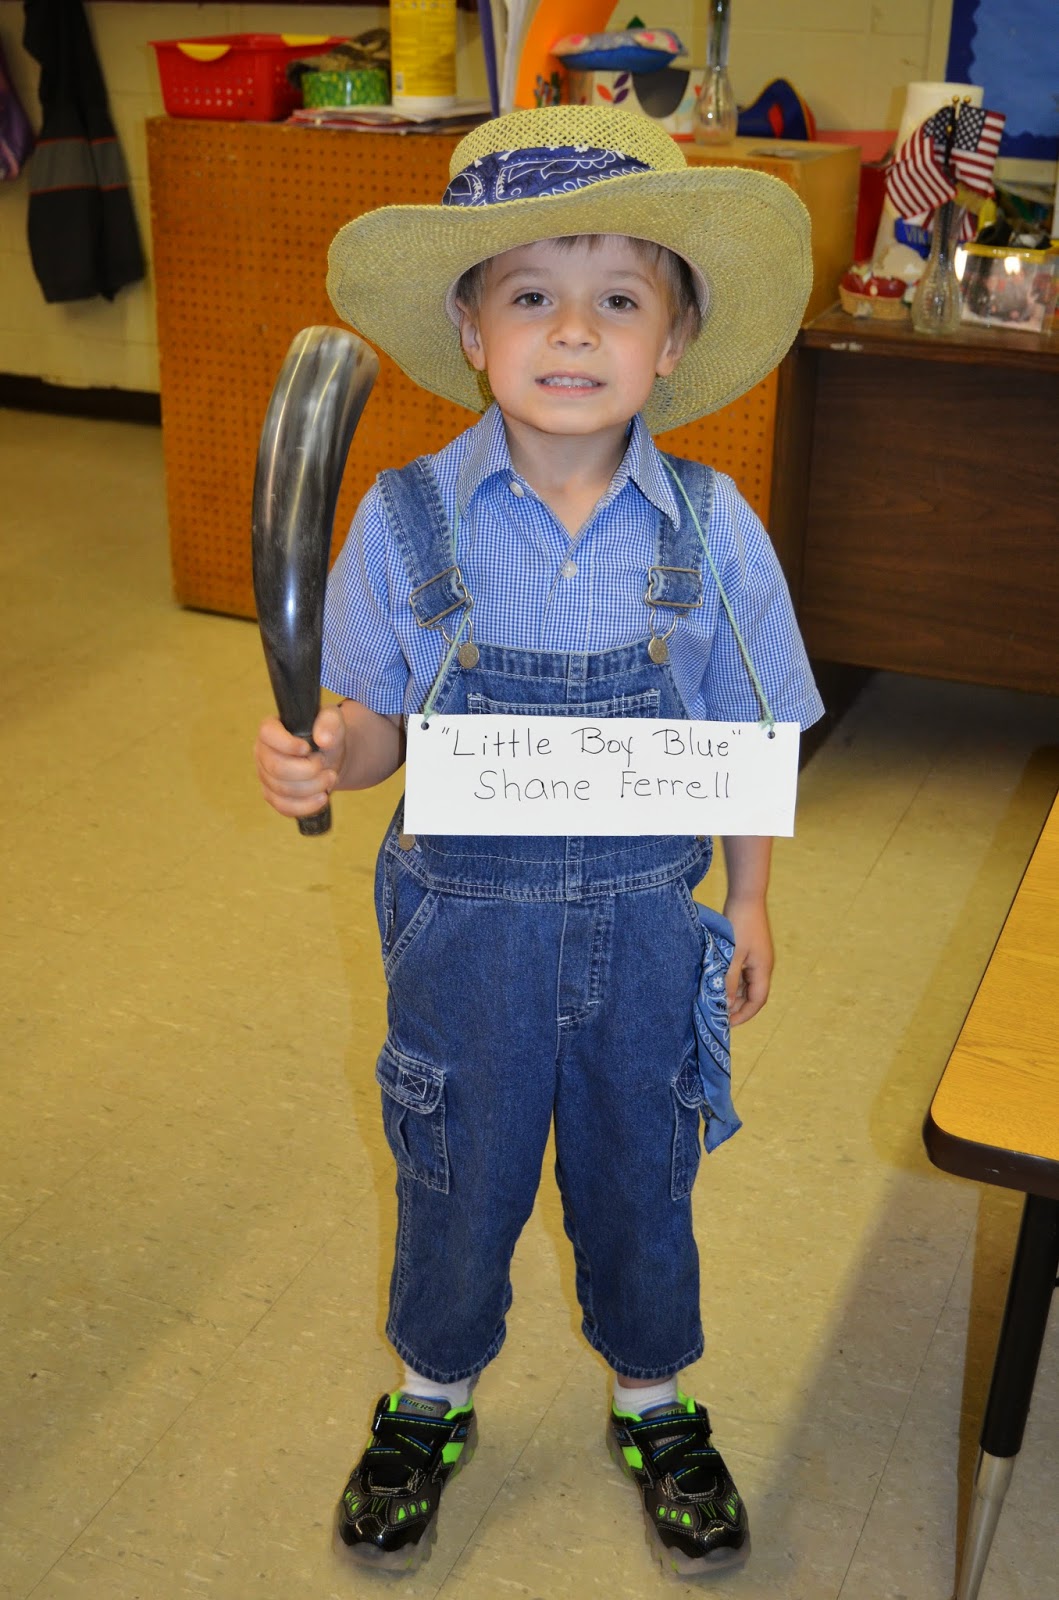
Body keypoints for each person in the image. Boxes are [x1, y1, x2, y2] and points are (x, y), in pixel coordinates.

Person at [255, 104, 824, 1578]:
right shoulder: (400, 521)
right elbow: (380, 723)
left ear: (674, 339)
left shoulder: (715, 529)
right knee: (455, 1165)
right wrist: (331, 747)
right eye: (530, 295)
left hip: (648, 932)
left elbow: (747, 739)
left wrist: (750, 900)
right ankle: (430, 1391)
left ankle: (654, 1393)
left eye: (618, 299)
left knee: (645, 1175)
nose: (574, 330)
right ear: (471, 325)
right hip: (465, 941)